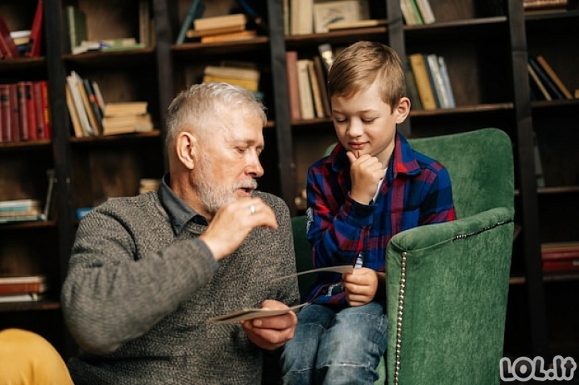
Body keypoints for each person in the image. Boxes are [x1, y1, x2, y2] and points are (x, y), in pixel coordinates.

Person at [60, 82, 300, 384]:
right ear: (189, 150)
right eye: (240, 149)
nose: (257, 167)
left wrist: (281, 331)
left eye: (257, 151)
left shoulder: (268, 215)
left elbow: (290, 335)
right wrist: (210, 246)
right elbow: (91, 322)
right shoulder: (115, 220)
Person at [280, 41, 457, 384]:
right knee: (295, 353)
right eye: (341, 118)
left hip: (384, 303)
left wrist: (380, 283)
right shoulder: (321, 174)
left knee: (345, 351)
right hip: (325, 299)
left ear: (400, 110)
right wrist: (357, 201)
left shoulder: (430, 177)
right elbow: (320, 258)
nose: (353, 131)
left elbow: (438, 273)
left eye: (368, 118)